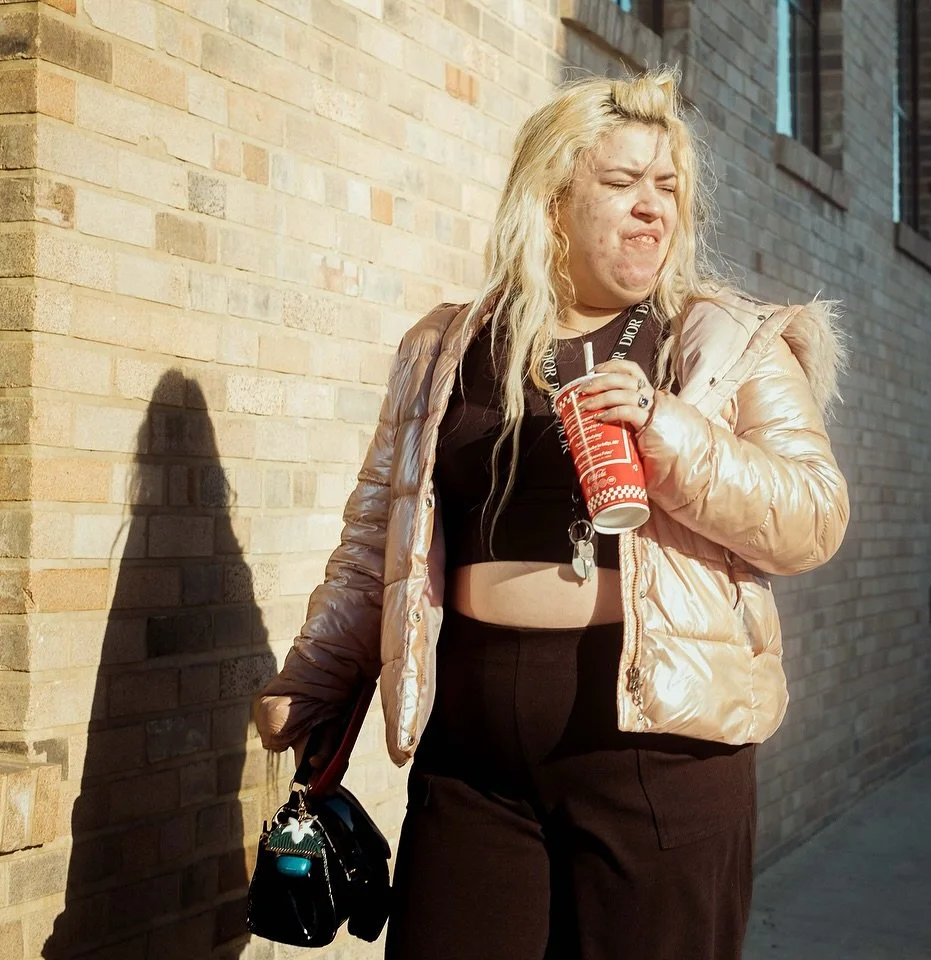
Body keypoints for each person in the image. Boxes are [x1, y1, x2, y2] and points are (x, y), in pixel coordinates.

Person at [252, 69, 850, 959]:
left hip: (659, 749)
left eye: (669, 187)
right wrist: (316, 676)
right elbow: (380, 531)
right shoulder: (447, 346)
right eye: (621, 183)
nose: (653, 209)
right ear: (551, 195)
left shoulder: (727, 339)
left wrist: (666, 430)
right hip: (473, 750)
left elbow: (813, 515)